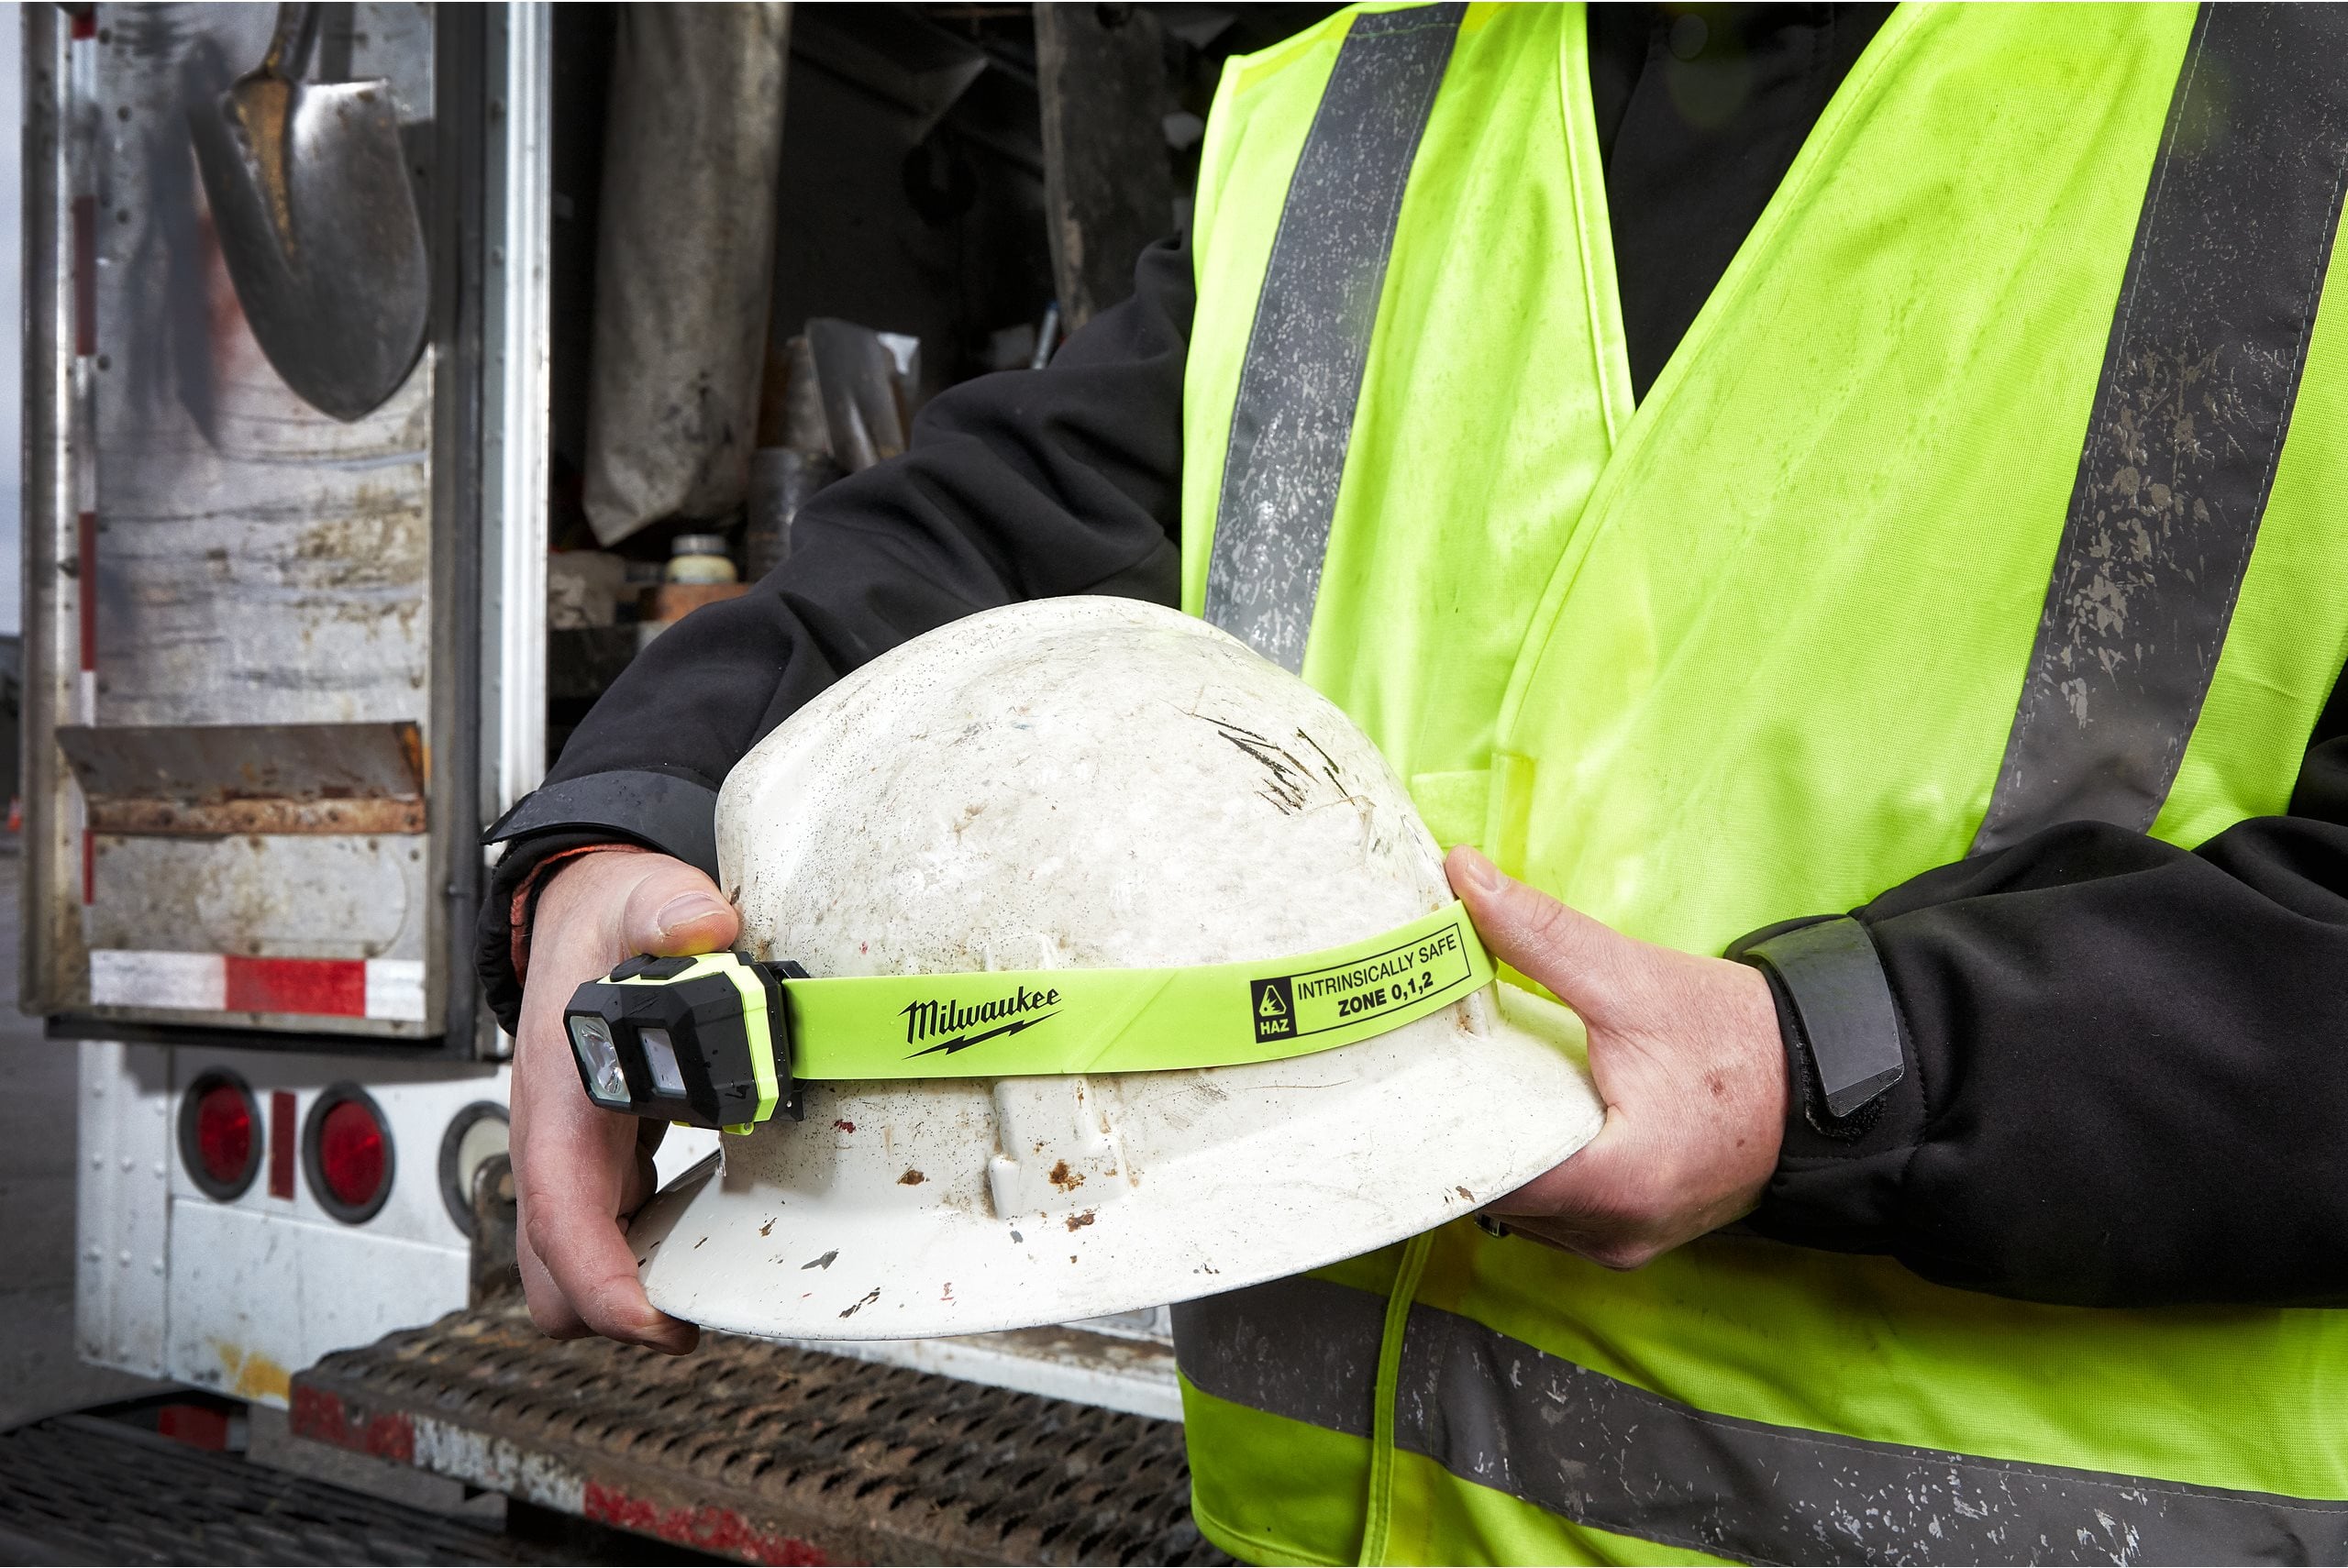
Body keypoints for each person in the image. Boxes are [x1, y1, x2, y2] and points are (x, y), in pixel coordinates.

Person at [481, 6, 2348, 1562]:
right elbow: (1003, 531)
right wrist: (631, 819)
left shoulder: (2285, 94)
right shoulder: (1365, 98)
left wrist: (1832, 1065)